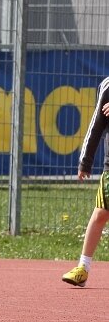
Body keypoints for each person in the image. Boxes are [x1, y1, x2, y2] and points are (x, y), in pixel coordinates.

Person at [62, 76, 109, 287]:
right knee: (100, 214)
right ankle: (83, 268)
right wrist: (85, 161)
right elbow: (96, 126)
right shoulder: (107, 86)